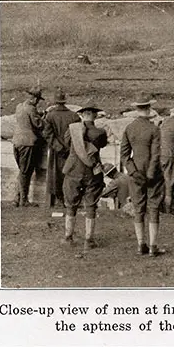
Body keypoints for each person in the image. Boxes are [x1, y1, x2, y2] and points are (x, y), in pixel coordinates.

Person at [120, 93, 165, 256]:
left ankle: (141, 245)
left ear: (137, 109)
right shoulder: (154, 129)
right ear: (149, 109)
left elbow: (124, 154)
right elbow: (156, 154)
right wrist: (151, 174)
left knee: (139, 208)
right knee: (153, 208)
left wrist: (133, 172)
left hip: (136, 174)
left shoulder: (129, 128)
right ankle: (153, 246)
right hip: (153, 175)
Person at [61, 102, 108, 250]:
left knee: (70, 204)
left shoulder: (72, 130)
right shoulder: (100, 132)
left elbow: (67, 143)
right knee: (91, 205)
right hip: (92, 172)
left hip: (73, 170)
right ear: (94, 115)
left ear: (82, 114)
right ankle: (89, 240)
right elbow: (102, 145)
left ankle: (68, 237)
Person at [42, 88, 81, 207]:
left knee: (56, 175)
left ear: (55, 101)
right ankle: (69, 198)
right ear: (65, 101)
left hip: (56, 151)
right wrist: (68, 147)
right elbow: (78, 133)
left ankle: (59, 200)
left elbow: (47, 134)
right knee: (70, 173)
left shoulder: (50, 116)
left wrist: (58, 147)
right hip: (71, 150)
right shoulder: (74, 116)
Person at [11, 86, 45, 207]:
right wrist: (44, 117)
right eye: (38, 99)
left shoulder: (19, 106)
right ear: (35, 99)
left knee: (21, 170)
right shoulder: (31, 109)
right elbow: (39, 124)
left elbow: (26, 118)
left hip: (17, 141)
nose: (38, 102)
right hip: (27, 143)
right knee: (26, 172)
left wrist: (38, 113)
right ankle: (23, 201)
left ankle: (17, 198)